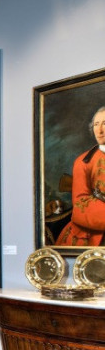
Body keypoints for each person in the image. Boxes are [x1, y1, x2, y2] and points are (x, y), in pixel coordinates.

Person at [55, 106, 105, 247]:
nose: (100, 130)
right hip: (92, 235)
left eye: (104, 124)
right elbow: (81, 205)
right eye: (96, 124)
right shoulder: (83, 161)